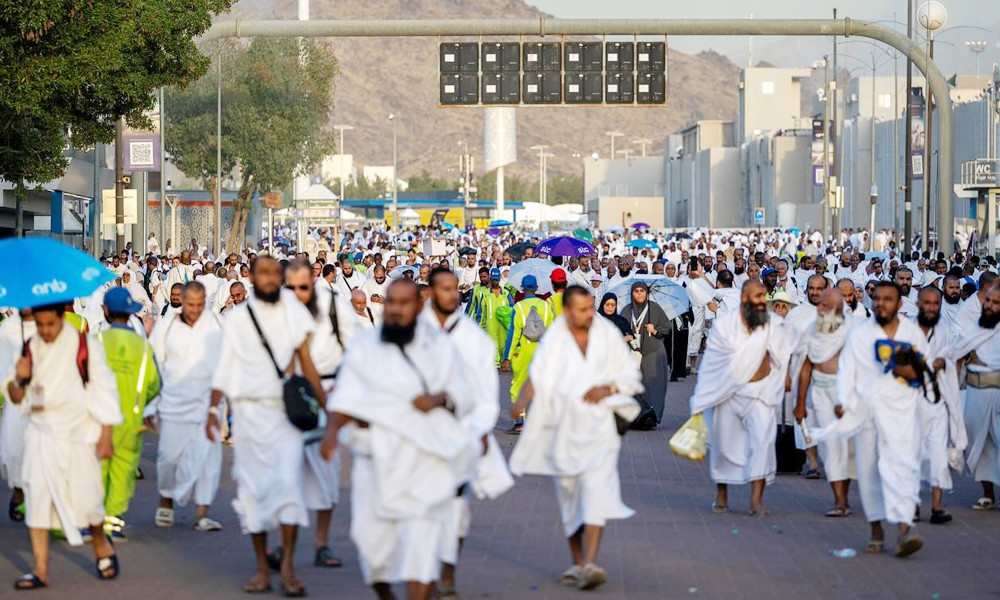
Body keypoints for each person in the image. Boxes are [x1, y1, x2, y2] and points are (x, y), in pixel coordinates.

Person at [321, 279, 480, 600]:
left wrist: (437, 400)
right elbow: (345, 393)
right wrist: (332, 431)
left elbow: (464, 392)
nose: (394, 309)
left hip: (425, 460)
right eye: (391, 302)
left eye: (403, 303)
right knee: (371, 548)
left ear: (419, 305)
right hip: (376, 460)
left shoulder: (439, 345)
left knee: (421, 549)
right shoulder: (365, 344)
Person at [509, 286, 643, 591]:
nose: (589, 314)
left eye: (591, 307)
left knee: (597, 490)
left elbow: (628, 372)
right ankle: (578, 561)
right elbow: (538, 374)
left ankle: (590, 563)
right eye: (582, 309)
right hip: (563, 429)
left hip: (600, 428)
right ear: (567, 310)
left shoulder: (606, 334)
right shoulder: (555, 337)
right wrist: (521, 402)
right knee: (570, 497)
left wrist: (608, 389)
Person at [208, 256, 325, 595]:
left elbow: (306, 360)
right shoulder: (237, 318)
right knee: (252, 493)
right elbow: (225, 365)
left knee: (289, 485)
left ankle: (287, 566)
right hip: (247, 416)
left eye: (275, 273)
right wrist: (212, 409)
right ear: (253, 278)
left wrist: (327, 406)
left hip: (284, 414)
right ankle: (262, 568)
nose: (270, 278)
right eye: (263, 273)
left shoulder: (292, 309)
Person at [3, 303, 122, 589]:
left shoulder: (85, 347)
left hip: (78, 434)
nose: (45, 330)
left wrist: (106, 435)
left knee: (88, 499)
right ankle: (40, 570)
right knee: (37, 502)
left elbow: (104, 390)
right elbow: (15, 397)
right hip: (40, 435)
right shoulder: (29, 348)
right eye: (40, 325)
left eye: (50, 324)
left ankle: (100, 544)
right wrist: (20, 377)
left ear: (61, 318)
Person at [815, 281, 928, 557]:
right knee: (868, 472)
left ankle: (904, 530)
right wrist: (843, 400)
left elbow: (924, 369)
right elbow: (847, 370)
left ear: (899, 304)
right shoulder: (861, 334)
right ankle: (876, 529)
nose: (880, 304)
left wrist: (908, 369)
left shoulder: (911, 332)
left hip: (902, 412)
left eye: (887, 299)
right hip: (866, 413)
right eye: (876, 298)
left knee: (902, 467)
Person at [420, 268, 511, 600]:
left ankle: (447, 573)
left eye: (454, 288)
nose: (451, 294)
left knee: (455, 509)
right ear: (431, 293)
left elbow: (486, 392)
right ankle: (425, 572)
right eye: (444, 288)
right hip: (420, 433)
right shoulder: (414, 332)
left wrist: (483, 428)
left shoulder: (474, 339)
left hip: (462, 432)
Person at [271, 259, 359, 570]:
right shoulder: (279, 309)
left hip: (329, 395)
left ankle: (321, 544)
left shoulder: (335, 307)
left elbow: (357, 352)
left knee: (327, 475)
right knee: (286, 474)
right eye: (291, 286)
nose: (297, 293)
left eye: (303, 286)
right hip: (291, 395)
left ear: (313, 280)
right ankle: (284, 547)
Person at [689, 280, 790, 516]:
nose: (763, 302)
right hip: (729, 392)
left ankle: (756, 501)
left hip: (761, 392)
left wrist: (783, 376)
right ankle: (722, 495)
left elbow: (782, 355)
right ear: (745, 298)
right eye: (758, 297)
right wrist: (703, 397)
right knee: (724, 446)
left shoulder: (772, 323)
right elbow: (712, 363)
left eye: (764, 296)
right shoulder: (725, 325)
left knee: (763, 442)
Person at [147, 281, 224, 532]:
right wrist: (150, 405)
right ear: (182, 301)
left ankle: (202, 514)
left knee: (208, 461)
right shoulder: (166, 326)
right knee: (168, 458)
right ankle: (166, 501)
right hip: (173, 404)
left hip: (207, 404)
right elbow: (153, 365)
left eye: (200, 305)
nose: (195, 310)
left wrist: (217, 407)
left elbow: (226, 366)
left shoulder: (216, 325)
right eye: (190, 304)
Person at [96, 287, 162, 541]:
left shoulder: (96, 341)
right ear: (130, 314)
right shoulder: (143, 347)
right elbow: (155, 385)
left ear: (106, 311)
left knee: (99, 467)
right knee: (123, 469)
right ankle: (112, 521)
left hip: (98, 417)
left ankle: (95, 516)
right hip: (130, 419)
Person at [795, 289, 854, 516]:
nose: (819, 309)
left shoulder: (850, 330)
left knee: (846, 447)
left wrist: (847, 398)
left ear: (837, 308)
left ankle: (844, 497)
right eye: (818, 304)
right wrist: (800, 403)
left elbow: (857, 367)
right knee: (830, 447)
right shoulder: (812, 330)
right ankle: (839, 502)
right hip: (819, 392)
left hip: (843, 393)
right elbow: (805, 367)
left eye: (824, 305)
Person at [914, 285, 964, 524]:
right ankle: (912, 505)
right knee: (912, 454)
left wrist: (943, 363)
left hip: (937, 400)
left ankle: (937, 507)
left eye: (936, 303)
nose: (931, 308)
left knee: (938, 454)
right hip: (911, 403)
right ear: (918, 304)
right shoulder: (906, 330)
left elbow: (952, 358)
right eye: (927, 303)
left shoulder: (944, 331)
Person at [950, 286, 1000, 511]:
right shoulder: (972, 328)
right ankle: (987, 494)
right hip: (975, 395)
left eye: (995, 303)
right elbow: (956, 355)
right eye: (987, 301)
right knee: (979, 446)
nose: (989, 306)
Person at [502, 275, 554, 433]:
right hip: (542, 350)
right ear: (537, 288)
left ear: (522, 289)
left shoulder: (518, 307)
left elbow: (513, 335)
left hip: (523, 351)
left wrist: (506, 357)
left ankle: (520, 423)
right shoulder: (546, 306)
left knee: (518, 387)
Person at [619, 281, 671, 426]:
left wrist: (654, 330)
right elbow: (619, 329)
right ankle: (635, 417)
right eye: (636, 291)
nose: (639, 294)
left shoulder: (654, 308)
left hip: (653, 352)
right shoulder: (627, 310)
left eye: (642, 291)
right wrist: (626, 335)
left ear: (647, 293)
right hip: (632, 353)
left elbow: (666, 327)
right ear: (632, 294)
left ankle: (651, 416)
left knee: (652, 385)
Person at [473, 268, 512, 367]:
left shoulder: (505, 294)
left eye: (497, 280)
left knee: (503, 344)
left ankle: (502, 361)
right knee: (493, 344)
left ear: (499, 279)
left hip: (503, 325)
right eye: (493, 280)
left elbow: (512, 308)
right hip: (490, 325)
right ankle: (495, 364)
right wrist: (480, 324)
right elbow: (481, 311)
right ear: (490, 279)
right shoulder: (486, 294)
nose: (495, 282)